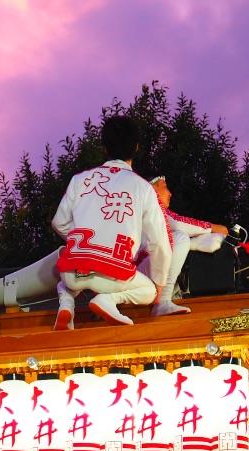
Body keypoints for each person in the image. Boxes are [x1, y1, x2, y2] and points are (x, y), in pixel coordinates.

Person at [51, 114, 170, 330]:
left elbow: (59, 222)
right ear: (136, 148)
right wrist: (160, 284)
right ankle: (107, 301)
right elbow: (159, 243)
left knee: (64, 279)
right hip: (113, 275)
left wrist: (86, 245)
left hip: (73, 272)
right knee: (149, 290)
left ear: (104, 148)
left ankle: (66, 305)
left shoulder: (80, 180)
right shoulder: (142, 187)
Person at [143, 175, 229, 316]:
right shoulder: (151, 207)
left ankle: (167, 298)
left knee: (180, 239)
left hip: (131, 274)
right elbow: (177, 223)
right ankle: (163, 300)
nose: (170, 193)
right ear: (152, 189)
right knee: (180, 238)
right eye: (165, 187)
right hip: (136, 273)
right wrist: (213, 228)